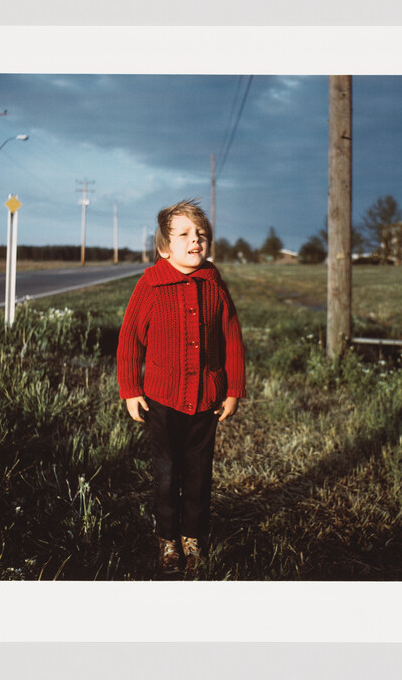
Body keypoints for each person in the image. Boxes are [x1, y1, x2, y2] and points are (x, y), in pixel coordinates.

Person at [117, 199, 246, 575]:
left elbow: (232, 336)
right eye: (185, 235)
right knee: (166, 471)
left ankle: (193, 535)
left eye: (201, 235)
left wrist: (233, 388)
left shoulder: (213, 283)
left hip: (206, 399)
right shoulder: (152, 285)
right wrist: (130, 389)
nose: (196, 242)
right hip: (163, 399)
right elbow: (129, 341)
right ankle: (167, 538)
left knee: (198, 472)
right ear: (164, 247)